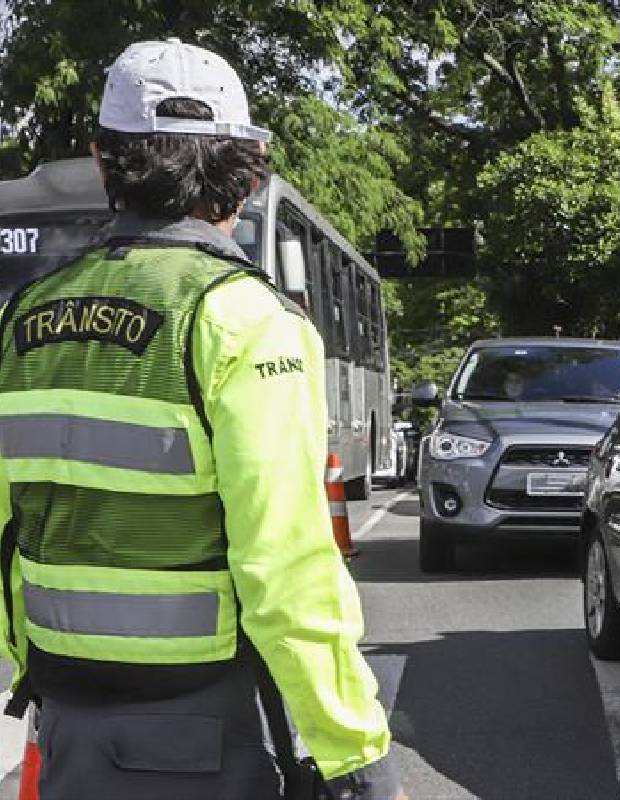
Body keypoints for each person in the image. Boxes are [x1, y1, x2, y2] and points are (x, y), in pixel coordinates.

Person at [0, 40, 402, 800]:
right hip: (210, 735)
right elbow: (286, 569)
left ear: (102, 161)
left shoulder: (23, 317)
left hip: (66, 726)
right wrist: (357, 758)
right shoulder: (246, 321)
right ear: (244, 171)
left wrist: (40, 671)